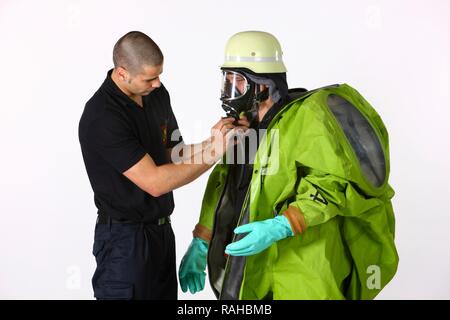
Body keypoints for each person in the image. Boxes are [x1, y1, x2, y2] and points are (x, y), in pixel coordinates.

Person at [178, 31, 399, 300]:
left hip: (303, 268)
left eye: (238, 80)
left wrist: (283, 224)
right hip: (253, 268)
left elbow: (332, 185)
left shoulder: (305, 119)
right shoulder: (243, 128)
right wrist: (203, 238)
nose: (229, 91)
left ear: (262, 84)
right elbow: (224, 183)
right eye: (226, 79)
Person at [78, 31, 248, 300]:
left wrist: (215, 140)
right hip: (124, 242)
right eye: (150, 78)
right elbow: (155, 182)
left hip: (161, 232)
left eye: (159, 76)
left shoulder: (155, 94)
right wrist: (215, 152)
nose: (157, 83)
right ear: (122, 74)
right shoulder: (102, 117)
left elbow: (172, 153)